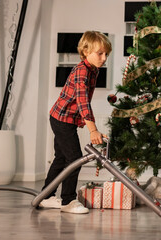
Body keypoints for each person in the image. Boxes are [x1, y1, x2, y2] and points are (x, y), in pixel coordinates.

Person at [39, 31, 112, 214]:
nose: (104, 58)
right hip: (62, 119)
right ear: (86, 51)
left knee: (61, 158)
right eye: (100, 53)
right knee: (74, 159)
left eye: (106, 54)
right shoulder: (81, 71)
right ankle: (68, 201)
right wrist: (93, 130)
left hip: (65, 119)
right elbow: (82, 102)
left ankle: (45, 197)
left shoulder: (92, 70)